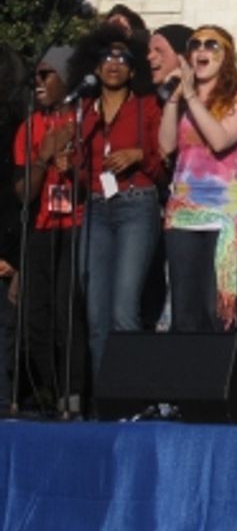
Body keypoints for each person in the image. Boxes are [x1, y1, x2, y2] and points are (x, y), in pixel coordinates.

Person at [72, 25, 165, 371]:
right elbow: (83, 176)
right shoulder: (83, 111)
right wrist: (72, 165)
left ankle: (129, 400)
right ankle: (104, 405)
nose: (113, 63)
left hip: (136, 204)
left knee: (124, 310)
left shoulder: (147, 107)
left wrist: (140, 155)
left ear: (133, 68)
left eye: (122, 57)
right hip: (95, 209)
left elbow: (163, 161)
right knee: (97, 316)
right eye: (105, 57)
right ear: (94, 66)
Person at [158, 25, 237, 332]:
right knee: (185, 313)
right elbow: (166, 146)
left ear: (226, 56)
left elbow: (220, 139)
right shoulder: (185, 100)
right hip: (183, 213)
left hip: (224, 216)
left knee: (217, 311)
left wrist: (191, 96)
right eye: (195, 44)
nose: (201, 50)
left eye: (211, 45)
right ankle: (188, 378)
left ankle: (219, 379)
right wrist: (174, 100)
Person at [11, 46, 84, 412]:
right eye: (36, 76)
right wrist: (43, 156)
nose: (38, 83)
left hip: (77, 227)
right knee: (36, 322)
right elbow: (24, 193)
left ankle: (74, 393)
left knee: (66, 316)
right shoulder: (30, 126)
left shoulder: (84, 119)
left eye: (46, 75)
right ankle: (54, 393)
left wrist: (73, 164)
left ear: (66, 79)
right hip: (40, 229)